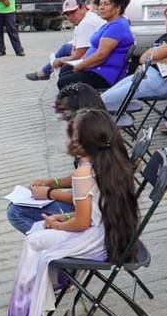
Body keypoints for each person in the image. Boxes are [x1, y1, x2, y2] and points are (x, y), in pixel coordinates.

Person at [3, 109, 140, 316]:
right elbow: (95, 210)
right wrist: (64, 217)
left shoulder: (83, 173)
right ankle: (48, 290)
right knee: (39, 233)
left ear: (82, 140)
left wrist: (58, 224)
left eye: (74, 132)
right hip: (114, 235)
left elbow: (82, 222)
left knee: (35, 239)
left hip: (96, 241)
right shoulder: (112, 161)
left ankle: (31, 303)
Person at [6, 84, 107, 234]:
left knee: (16, 212)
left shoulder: (93, 149)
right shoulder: (103, 134)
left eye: (65, 113)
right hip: (100, 216)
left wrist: (50, 193)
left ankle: (55, 245)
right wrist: (52, 183)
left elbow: (88, 203)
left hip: (96, 223)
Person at [101, 2, 167, 123]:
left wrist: (154, 55)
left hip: (161, 81)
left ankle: (113, 125)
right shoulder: (166, 37)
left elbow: (151, 56)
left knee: (105, 100)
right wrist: (154, 55)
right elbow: (143, 58)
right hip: (145, 74)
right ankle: (118, 119)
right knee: (105, 97)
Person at [56, 0, 135, 91]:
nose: (101, 7)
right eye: (100, 4)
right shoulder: (110, 24)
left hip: (104, 74)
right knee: (65, 71)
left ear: (117, 8)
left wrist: (80, 65)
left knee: (64, 81)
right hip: (97, 68)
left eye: (106, 4)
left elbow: (101, 56)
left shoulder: (117, 27)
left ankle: (80, 104)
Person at [26, 0, 102, 81]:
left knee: (63, 76)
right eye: (67, 14)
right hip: (93, 55)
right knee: (65, 51)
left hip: (97, 63)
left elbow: (78, 56)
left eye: (73, 12)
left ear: (83, 7)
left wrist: (59, 61)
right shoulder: (86, 18)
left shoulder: (86, 23)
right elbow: (77, 48)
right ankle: (45, 71)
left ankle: (45, 71)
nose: (71, 17)